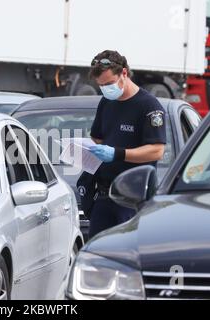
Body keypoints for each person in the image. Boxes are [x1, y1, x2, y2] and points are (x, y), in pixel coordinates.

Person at [87, 50, 166, 238]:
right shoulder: (106, 102)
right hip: (105, 194)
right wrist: (87, 149)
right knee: (96, 252)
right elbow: (97, 137)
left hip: (134, 198)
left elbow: (156, 150)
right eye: (101, 86)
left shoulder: (149, 106)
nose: (105, 89)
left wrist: (117, 153)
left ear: (124, 73)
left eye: (109, 84)